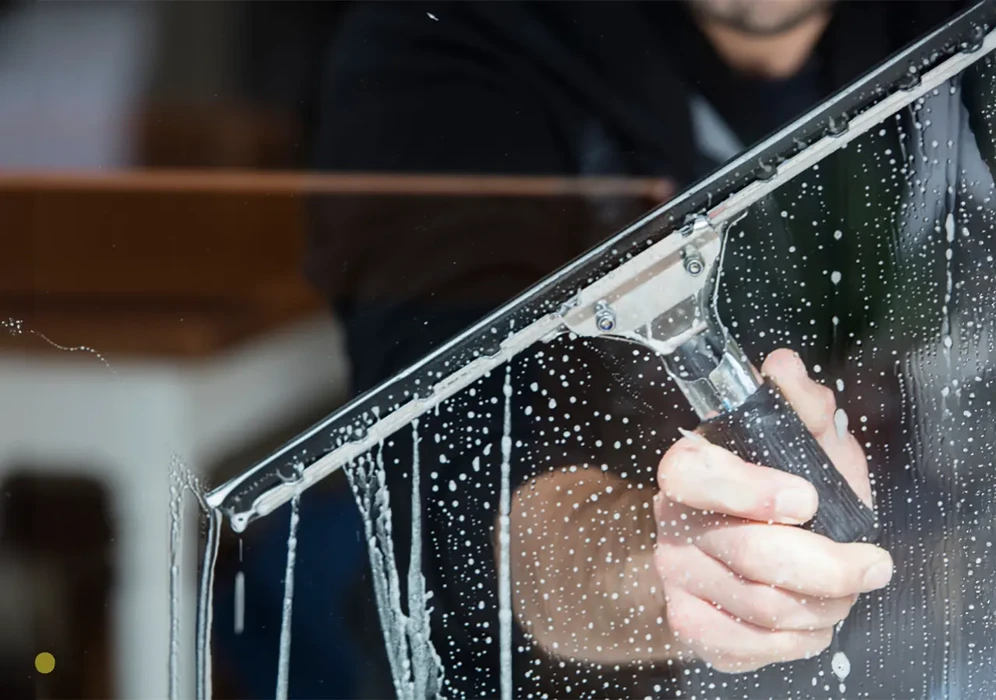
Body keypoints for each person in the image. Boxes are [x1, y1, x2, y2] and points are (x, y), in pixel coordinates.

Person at [305, 1, 971, 696]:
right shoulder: (449, 36)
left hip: (920, 624)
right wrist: (675, 566)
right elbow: (461, 468)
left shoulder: (952, 26)